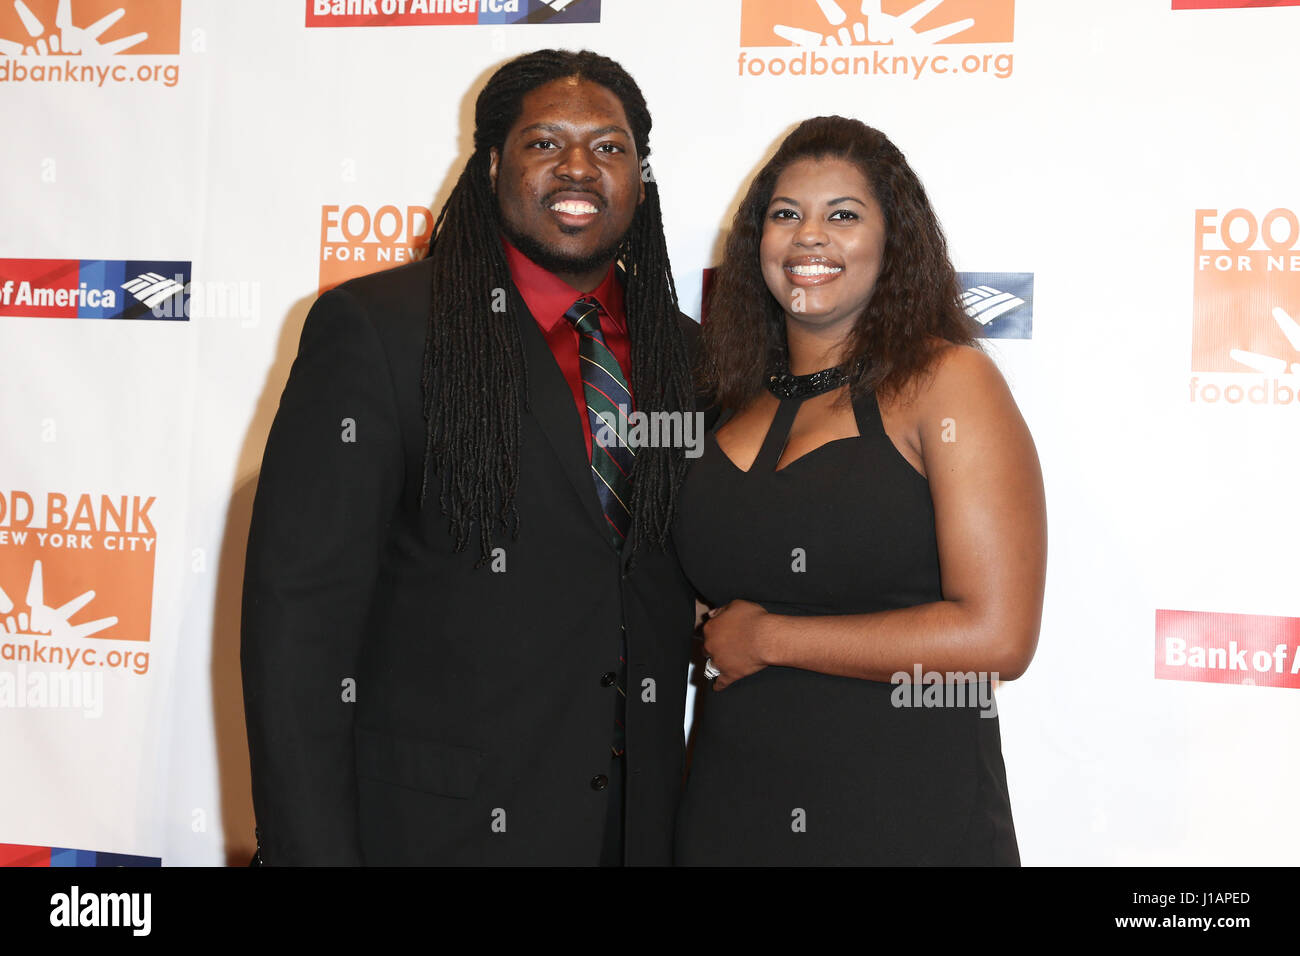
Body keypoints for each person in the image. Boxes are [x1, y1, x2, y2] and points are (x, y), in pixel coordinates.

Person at [240, 49, 699, 866]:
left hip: (636, 834)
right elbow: (296, 630)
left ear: (640, 175)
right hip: (438, 833)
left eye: (610, 146)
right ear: (491, 165)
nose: (579, 168)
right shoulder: (379, 331)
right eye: (544, 142)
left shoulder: (690, 359)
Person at [674, 116, 1047, 865]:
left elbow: (997, 639)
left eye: (842, 215)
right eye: (786, 215)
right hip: (730, 809)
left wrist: (770, 638)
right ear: (758, 245)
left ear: (893, 241)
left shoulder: (949, 383)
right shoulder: (720, 399)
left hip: (905, 814)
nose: (810, 237)